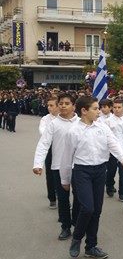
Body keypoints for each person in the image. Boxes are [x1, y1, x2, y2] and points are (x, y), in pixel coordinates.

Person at [59, 95, 123, 259]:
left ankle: (91, 246)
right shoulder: (73, 131)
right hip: (82, 172)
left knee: (96, 210)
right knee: (88, 208)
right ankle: (77, 238)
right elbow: (66, 158)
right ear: (84, 111)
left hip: (100, 171)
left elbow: (113, 144)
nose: (99, 111)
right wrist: (65, 179)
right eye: (96, 109)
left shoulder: (102, 127)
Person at [33, 92, 78, 240]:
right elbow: (44, 143)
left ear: (74, 106)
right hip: (58, 166)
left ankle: (77, 222)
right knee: (63, 199)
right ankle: (65, 226)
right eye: (61, 103)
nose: (63, 106)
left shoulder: (81, 122)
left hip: (78, 166)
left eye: (67, 103)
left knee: (79, 197)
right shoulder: (53, 124)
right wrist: (38, 164)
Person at [39, 95, 60, 209]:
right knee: (50, 174)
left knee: (63, 173)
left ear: (58, 106)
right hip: (50, 148)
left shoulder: (63, 118)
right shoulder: (45, 119)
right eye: (48, 105)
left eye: (51, 105)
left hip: (63, 148)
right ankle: (52, 198)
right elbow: (43, 132)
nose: (49, 107)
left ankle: (62, 197)